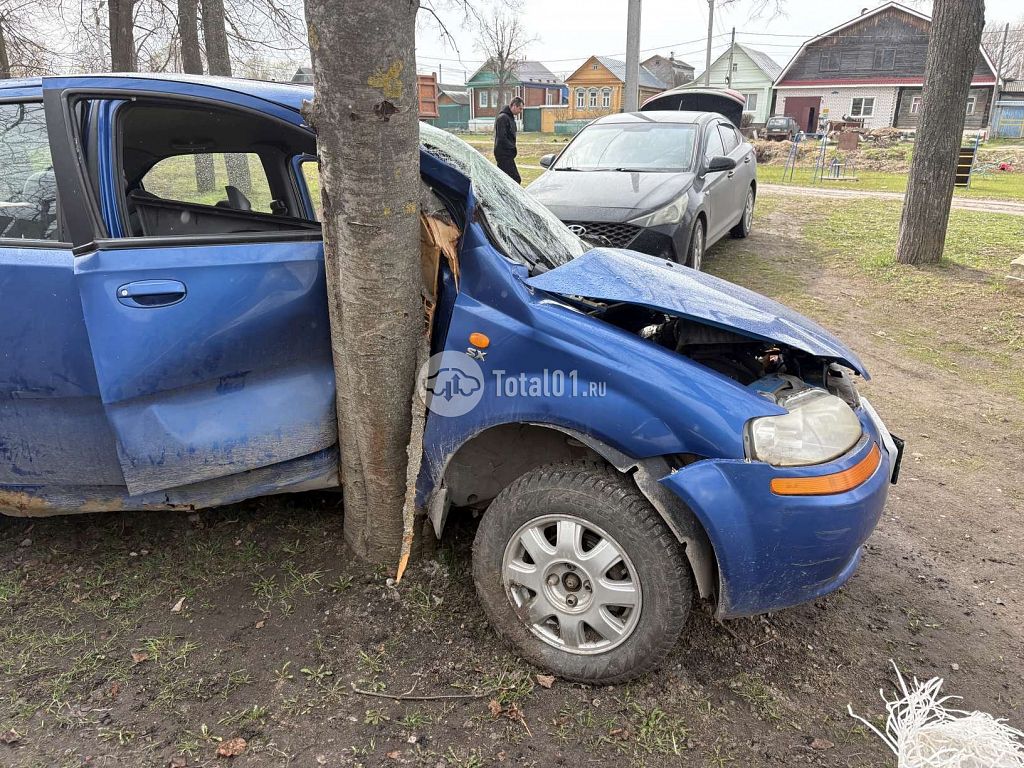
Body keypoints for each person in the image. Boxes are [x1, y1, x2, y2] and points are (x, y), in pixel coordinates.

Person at [494, 96, 524, 184]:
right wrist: (512, 148)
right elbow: (501, 137)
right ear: (514, 105)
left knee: (503, 180)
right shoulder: (503, 118)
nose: (520, 111)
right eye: (520, 108)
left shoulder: (510, 118)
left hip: (508, 154)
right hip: (503, 154)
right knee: (515, 179)